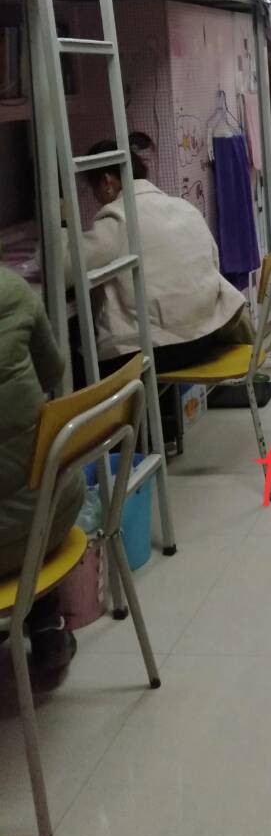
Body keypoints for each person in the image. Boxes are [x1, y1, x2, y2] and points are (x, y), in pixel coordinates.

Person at [70, 141, 252, 373]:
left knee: (77, 357)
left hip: (160, 351)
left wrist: (61, 229)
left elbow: (67, 266)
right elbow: (213, 263)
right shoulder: (185, 208)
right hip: (210, 335)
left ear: (107, 182)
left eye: (94, 190)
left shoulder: (117, 219)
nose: (97, 198)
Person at [0, 268, 82, 672]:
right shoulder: (13, 289)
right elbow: (52, 373)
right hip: (52, 517)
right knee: (26, 477)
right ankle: (48, 627)